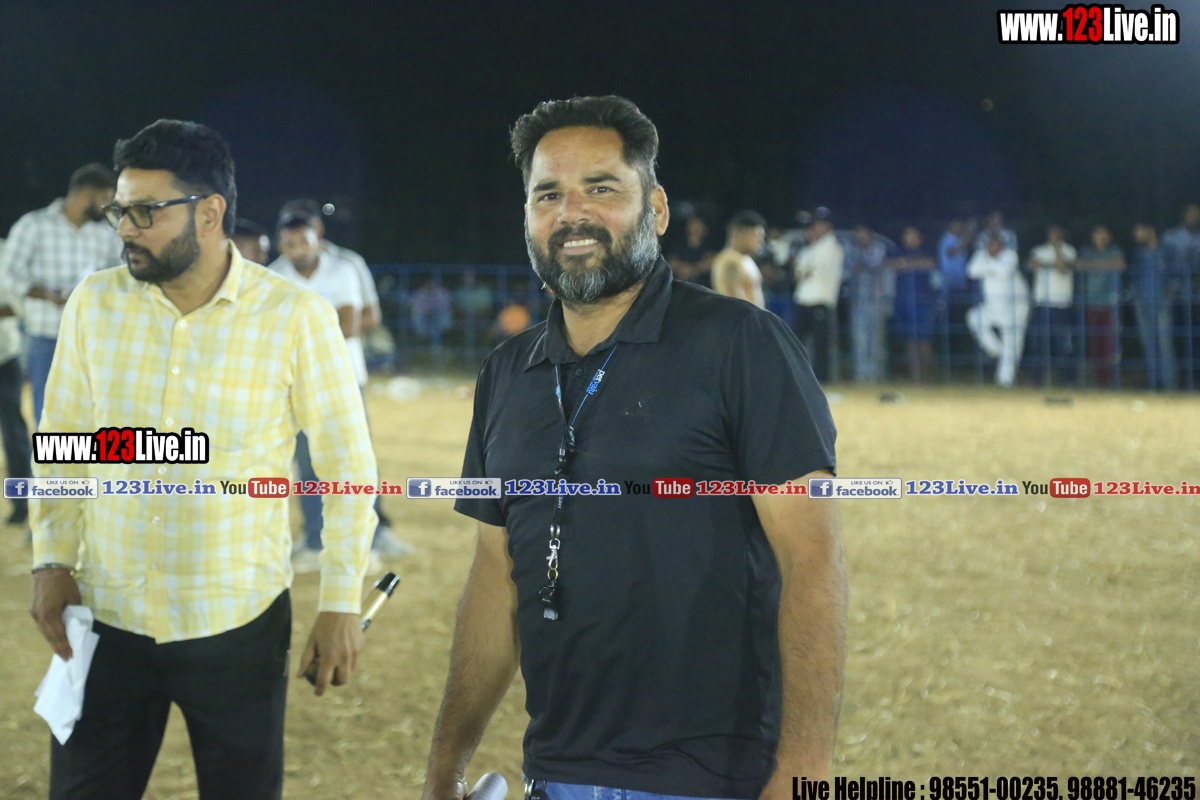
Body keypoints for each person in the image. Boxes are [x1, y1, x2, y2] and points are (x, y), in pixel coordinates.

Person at [419, 96, 845, 800]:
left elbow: (813, 558)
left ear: (657, 208)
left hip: (711, 780)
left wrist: (802, 772)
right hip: (556, 774)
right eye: (547, 194)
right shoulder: (506, 373)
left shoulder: (741, 343)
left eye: (601, 188)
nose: (572, 213)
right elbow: (496, 577)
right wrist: (446, 767)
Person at [29, 119, 377, 799]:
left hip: (236, 622)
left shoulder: (293, 317)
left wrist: (340, 602)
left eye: (145, 212)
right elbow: (63, 443)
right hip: (107, 613)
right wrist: (51, 560)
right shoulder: (94, 305)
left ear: (210, 212)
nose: (125, 228)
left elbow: (347, 468)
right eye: (119, 210)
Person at [273, 210, 405, 571]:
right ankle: (315, 541)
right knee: (307, 464)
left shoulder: (343, 269)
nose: (298, 250)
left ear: (318, 238)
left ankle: (370, 540)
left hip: (345, 380)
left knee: (355, 460)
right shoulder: (274, 275)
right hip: (299, 384)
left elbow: (349, 324)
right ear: (281, 246)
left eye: (304, 241)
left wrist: (299, 331)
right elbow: (276, 331)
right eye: (290, 244)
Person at [0, 163, 122, 425]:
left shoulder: (106, 234)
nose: (108, 206)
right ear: (86, 195)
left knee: (96, 415)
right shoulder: (34, 226)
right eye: (105, 198)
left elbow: (122, 275)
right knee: (49, 414)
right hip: (47, 338)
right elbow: (8, 274)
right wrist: (42, 293)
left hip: (94, 339)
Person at [276, 198, 382, 333]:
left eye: (304, 222)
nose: (297, 228)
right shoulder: (275, 272)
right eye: (290, 224)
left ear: (318, 228)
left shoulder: (348, 263)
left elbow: (371, 317)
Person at [966, 236, 1030, 387]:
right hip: (993, 306)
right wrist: (991, 267)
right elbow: (971, 271)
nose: (992, 248)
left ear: (1002, 246)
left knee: (1012, 342)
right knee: (974, 317)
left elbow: (1004, 272)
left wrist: (986, 267)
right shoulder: (982, 255)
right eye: (990, 245)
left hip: (1015, 307)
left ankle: (1005, 381)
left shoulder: (1010, 255)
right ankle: (996, 350)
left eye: (996, 245)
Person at [0, 238, 31, 526]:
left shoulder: (7, 252)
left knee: (14, 433)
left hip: (3, 357)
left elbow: (20, 305)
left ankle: (23, 502)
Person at [792, 207, 844, 382]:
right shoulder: (811, 248)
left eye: (821, 224)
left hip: (821, 300)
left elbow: (810, 273)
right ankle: (796, 377)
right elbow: (798, 274)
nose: (816, 227)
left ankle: (822, 382)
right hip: (804, 299)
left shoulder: (833, 247)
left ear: (828, 225)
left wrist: (805, 272)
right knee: (794, 341)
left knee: (822, 347)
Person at [1128, 223, 1180, 390]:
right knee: (1148, 343)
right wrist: (1135, 297)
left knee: (1165, 343)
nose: (1136, 234)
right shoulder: (1138, 253)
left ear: (1149, 230)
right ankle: (1154, 382)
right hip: (1143, 302)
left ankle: (1169, 383)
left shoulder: (1166, 251)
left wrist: (1171, 292)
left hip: (1162, 302)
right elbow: (1133, 276)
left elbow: (1176, 273)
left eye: (1139, 230)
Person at [886, 227, 939, 383]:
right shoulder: (897, 252)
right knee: (909, 341)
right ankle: (914, 376)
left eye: (913, 235)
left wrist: (904, 264)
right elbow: (887, 264)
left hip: (923, 302)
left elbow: (932, 263)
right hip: (903, 302)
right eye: (908, 235)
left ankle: (927, 375)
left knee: (924, 340)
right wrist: (910, 264)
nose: (910, 238)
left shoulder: (927, 250)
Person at [1075, 226, 1125, 388]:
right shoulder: (1087, 251)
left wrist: (1093, 265)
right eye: (1097, 234)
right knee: (1094, 344)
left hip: (1111, 304)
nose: (1100, 237)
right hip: (1092, 303)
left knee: (1110, 345)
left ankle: (1110, 381)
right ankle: (1099, 381)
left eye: (1103, 234)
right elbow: (1079, 265)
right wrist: (1106, 265)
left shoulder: (1114, 250)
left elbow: (1120, 264)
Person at [1027, 225, 1077, 386]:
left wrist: (1056, 252)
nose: (1054, 235)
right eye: (1052, 232)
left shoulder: (1069, 250)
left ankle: (1068, 381)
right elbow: (1032, 264)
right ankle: (1037, 380)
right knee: (1039, 344)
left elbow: (1062, 268)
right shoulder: (1039, 250)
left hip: (1062, 305)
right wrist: (1051, 264)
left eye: (1057, 232)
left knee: (1063, 346)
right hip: (1042, 303)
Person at [1160, 203, 1200, 387]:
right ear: (1184, 215)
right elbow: (1163, 264)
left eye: (1197, 214)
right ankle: (1183, 378)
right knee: (1179, 338)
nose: (1195, 217)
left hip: (1197, 296)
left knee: (1197, 338)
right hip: (1177, 296)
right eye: (1191, 213)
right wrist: (1168, 286)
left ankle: (1196, 379)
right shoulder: (1171, 238)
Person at [845, 224, 889, 383]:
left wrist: (861, 264)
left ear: (869, 234)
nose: (861, 237)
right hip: (857, 303)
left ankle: (875, 376)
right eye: (858, 234)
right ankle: (861, 376)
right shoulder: (852, 250)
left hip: (876, 302)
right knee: (860, 341)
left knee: (876, 341)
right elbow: (849, 269)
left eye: (863, 233)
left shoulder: (879, 248)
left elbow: (873, 264)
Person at [937, 218, 978, 371]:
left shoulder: (957, 239)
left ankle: (960, 363)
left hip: (960, 287)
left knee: (961, 324)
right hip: (950, 289)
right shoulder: (947, 239)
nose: (960, 227)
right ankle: (949, 364)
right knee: (951, 326)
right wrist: (968, 236)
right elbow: (952, 252)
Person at [710, 209, 766, 308]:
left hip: (753, 317)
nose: (761, 241)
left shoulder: (746, 259)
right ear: (741, 234)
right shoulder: (730, 261)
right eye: (757, 236)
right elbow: (734, 303)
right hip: (741, 318)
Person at [664, 215, 715, 286]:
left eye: (699, 225)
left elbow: (711, 262)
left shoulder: (710, 245)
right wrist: (683, 267)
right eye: (693, 224)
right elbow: (671, 262)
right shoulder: (678, 244)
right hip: (681, 284)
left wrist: (693, 269)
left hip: (703, 285)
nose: (696, 228)